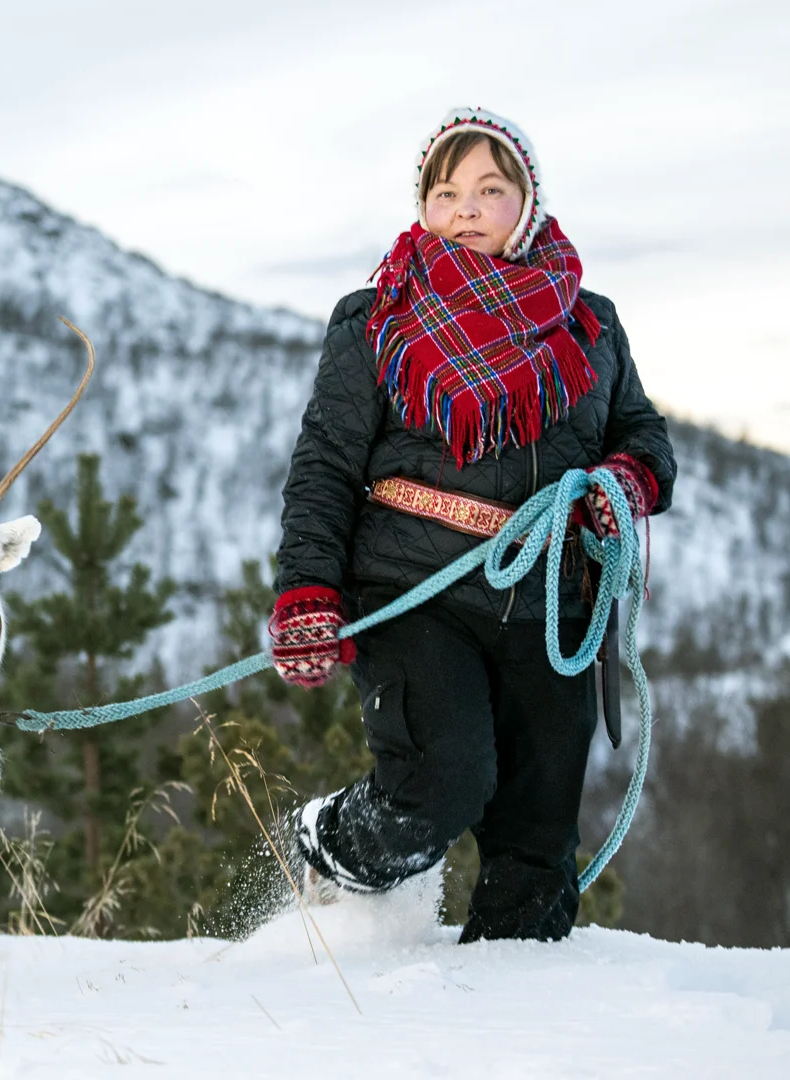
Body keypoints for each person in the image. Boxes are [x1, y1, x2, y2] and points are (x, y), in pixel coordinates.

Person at [268, 107, 675, 942]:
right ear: (423, 206)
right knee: (442, 782)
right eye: (446, 190)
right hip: (414, 593)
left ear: (527, 202)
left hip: (549, 602)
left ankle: (504, 1022)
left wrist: (624, 480)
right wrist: (308, 590)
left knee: (535, 852)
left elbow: (643, 438)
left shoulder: (590, 324)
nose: (466, 208)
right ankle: (332, 846)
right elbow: (325, 466)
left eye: (491, 189)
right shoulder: (374, 318)